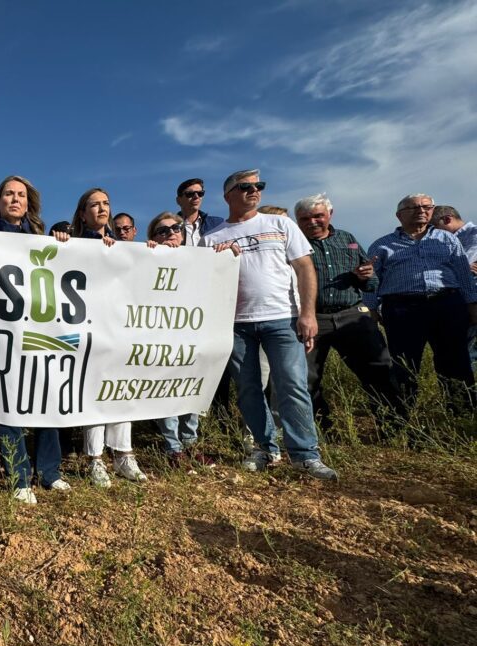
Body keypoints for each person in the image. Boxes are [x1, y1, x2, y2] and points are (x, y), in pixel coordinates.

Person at [203, 170, 338, 480]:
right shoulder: (211, 238)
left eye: (258, 186)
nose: (254, 191)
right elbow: (206, 283)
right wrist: (218, 261)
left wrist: (308, 314)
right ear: (228, 196)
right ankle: (265, 448)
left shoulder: (280, 224)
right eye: (245, 187)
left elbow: (304, 268)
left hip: (282, 318)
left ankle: (305, 455)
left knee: (292, 384)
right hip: (236, 324)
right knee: (248, 389)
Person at [0, 176, 72, 501]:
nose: (15, 199)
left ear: (30, 203)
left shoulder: (42, 239)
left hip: (42, 334)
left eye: (21, 195)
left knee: (47, 400)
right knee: (9, 403)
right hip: (7, 336)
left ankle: (50, 471)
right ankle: (19, 478)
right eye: (8, 194)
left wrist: (64, 242)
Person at [293, 194, 402, 430]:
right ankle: (321, 430)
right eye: (305, 218)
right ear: (297, 220)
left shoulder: (348, 239)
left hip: (352, 314)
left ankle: (394, 428)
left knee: (379, 370)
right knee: (306, 378)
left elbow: (371, 282)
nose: (312, 222)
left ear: (329, 215)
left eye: (318, 216)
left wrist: (365, 276)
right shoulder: (293, 243)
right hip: (313, 318)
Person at [145, 212, 239, 467]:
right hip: (160, 338)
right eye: (162, 231)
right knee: (165, 391)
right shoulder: (146, 258)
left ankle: (190, 443)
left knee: (190, 389)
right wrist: (149, 254)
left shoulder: (202, 260)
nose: (170, 234)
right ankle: (172, 448)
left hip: (193, 337)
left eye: (175, 228)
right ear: (153, 237)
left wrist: (228, 254)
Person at [367, 194, 477, 408]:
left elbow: (463, 275)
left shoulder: (447, 239)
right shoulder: (382, 245)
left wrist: (472, 305)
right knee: (404, 365)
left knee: (456, 362)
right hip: (402, 308)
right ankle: (405, 418)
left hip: (447, 305)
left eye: (427, 207)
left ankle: (461, 414)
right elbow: (371, 279)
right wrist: (371, 308)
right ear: (399, 215)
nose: (422, 211)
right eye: (414, 207)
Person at [68, 188, 146, 484]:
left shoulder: (121, 243)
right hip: (90, 327)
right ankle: (95, 459)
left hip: (121, 327)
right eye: (94, 204)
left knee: (122, 389)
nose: (102, 208)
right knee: (95, 392)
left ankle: (124, 455)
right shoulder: (76, 244)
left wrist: (144, 250)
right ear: (83, 212)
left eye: (106, 203)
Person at [432, 205, 477, 367]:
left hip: (470, 299)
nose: (431, 233)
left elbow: (466, 268)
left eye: (434, 227)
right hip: (463, 299)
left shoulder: (473, 235)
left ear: (447, 219)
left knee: (466, 353)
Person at [174, 178, 225, 246]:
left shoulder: (218, 224)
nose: (196, 196)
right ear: (178, 200)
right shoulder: (169, 227)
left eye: (200, 193)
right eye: (190, 194)